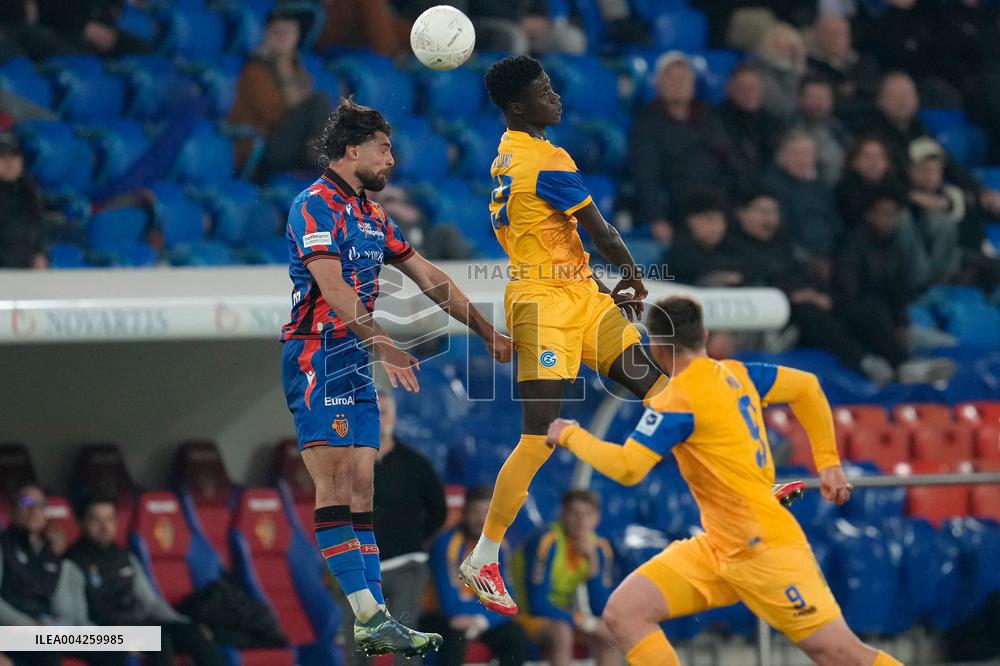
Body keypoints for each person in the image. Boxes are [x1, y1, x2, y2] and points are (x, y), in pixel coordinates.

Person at [546, 295, 903, 666]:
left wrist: (570, 434)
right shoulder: (737, 373)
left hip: (764, 549)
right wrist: (829, 463)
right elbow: (808, 387)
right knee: (625, 613)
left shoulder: (677, 401)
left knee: (844, 656)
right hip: (719, 547)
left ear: (656, 347)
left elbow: (627, 468)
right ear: (705, 335)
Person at [279, 98, 514, 657]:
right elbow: (333, 289)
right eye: (384, 148)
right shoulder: (313, 206)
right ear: (352, 150)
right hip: (318, 354)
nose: (393, 159)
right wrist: (384, 343)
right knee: (336, 487)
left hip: (354, 356)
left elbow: (428, 275)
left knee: (364, 491)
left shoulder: (371, 215)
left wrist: (483, 329)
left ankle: (376, 616)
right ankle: (365, 614)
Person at [459, 54, 667, 616]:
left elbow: (556, 238)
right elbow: (601, 231)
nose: (555, 96)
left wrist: (602, 283)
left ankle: (742, 492)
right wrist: (631, 273)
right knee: (539, 436)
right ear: (516, 106)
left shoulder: (507, 152)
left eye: (552, 86)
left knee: (669, 396)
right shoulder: (546, 159)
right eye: (543, 90)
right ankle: (484, 555)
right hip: (543, 303)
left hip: (576, 293)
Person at [730, 188, 895, 384]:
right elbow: (753, 283)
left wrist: (820, 293)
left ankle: (901, 363)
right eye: (762, 211)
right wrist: (791, 296)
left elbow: (806, 273)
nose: (769, 219)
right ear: (742, 213)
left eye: (773, 212)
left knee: (863, 307)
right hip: (780, 316)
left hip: (807, 298)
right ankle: (864, 362)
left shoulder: (784, 244)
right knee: (810, 312)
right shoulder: (732, 248)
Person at [338, 388, 448, 665]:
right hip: (360, 570)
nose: (379, 419)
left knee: (405, 648)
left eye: (384, 412)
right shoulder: (346, 464)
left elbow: (439, 511)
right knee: (357, 647)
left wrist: (413, 541)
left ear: (394, 418)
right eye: (373, 412)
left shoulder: (415, 464)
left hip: (405, 566)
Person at [64, 498, 226, 666]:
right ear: (81, 522)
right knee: (158, 640)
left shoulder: (125, 557)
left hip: (137, 625)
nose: (104, 527)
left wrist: (182, 621)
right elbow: (78, 620)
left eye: (109, 519)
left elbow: (150, 603)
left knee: (194, 633)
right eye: (96, 520)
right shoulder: (72, 562)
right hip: (103, 630)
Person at [834, 187, 954, 383]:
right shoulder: (852, 245)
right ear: (869, 215)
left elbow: (898, 291)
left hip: (889, 319)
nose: (888, 220)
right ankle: (906, 365)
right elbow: (850, 295)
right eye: (883, 214)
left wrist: (902, 323)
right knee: (872, 311)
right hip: (860, 319)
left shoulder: (896, 245)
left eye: (893, 215)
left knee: (949, 344)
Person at [0, 485, 115, 666]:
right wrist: (29, 625)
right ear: (12, 510)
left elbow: (66, 611)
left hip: (50, 632)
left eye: (40, 506)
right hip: (12, 631)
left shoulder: (51, 553)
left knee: (114, 648)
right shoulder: (3, 547)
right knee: (47, 651)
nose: (34, 510)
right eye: (26, 503)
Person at [629, 51, 739, 240]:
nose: (679, 84)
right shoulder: (647, 122)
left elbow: (728, 156)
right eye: (672, 79)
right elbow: (645, 175)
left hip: (719, 195)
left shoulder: (706, 115)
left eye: (684, 79)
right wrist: (657, 219)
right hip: (680, 201)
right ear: (658, 84)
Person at [512, 489, 619, 666]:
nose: (581, 521)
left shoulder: (599, 548)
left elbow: (601, 609)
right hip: (522, 614)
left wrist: (593, 568)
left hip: (560, 615)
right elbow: (536, 604)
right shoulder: (547, 540)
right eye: (574, 514)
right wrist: (583, 621)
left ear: (597, 518)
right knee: (561, 632)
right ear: (562, 514)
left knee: (610, 636)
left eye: (587, 514)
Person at [429, 486, 527, 666]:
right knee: (452, 638)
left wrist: (481, 620)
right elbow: (449, 607)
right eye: (475, 512)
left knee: (515, 637)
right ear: (464, 512)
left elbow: (508, 600)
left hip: (481, 616)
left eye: (487, 513)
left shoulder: (500, 547)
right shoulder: (446, 544)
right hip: (444, 617)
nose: (481, 519)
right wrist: (482, 616)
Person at [229, 10, 333, 177]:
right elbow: (278, 115)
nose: (284, 38)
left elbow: (303, 104)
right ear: (267, 35)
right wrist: (281, 62)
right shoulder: (255, 70)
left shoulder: (296, 66)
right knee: (319, 102)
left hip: (297, 144)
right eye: (278, 32)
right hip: (266, 150)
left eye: (290, 32)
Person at [760, 130, 843, 271]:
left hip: (828, 257)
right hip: (791, 259)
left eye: (807, 154)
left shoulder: (821, 187)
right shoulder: (770, 188)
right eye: (795, 153)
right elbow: (781, 231)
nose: (802, 159)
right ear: (781, 156)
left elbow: (835, 223)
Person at [906, 137, 964, 286]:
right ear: (910, 170)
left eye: (935, 170)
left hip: (949, 275)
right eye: (923, 170)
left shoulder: (953, 196)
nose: (930, 176)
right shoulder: (900, 198)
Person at [716, 63, 786, 176]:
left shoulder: (772, 121)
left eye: (754, 87)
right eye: (743, 87)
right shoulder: (716, 119)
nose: (749, 92)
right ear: (730, 88)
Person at [663, 188, 743, 287]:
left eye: (721, 221)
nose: (717, 227)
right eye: (710, 220)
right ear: (691, 221)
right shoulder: (679, 251)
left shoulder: (732, 247)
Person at [0, 132, 47, 269]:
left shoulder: (29, 192)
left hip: (25, 276)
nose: (10, 163)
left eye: (14, 156)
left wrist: (40, 254)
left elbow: (39, 230)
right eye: (2, 157)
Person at [793, 75, 848, 185]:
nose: (819, 103)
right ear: (801, 99)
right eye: (813, 97)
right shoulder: (792, 128)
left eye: (823, 97)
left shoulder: (838, 128)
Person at [754, 23, 808, 121]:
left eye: (790, 48)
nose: (784, 51)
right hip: (768, 121)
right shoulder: (758, 72)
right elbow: (778, 105)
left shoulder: (800, 72)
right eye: (778, 46)